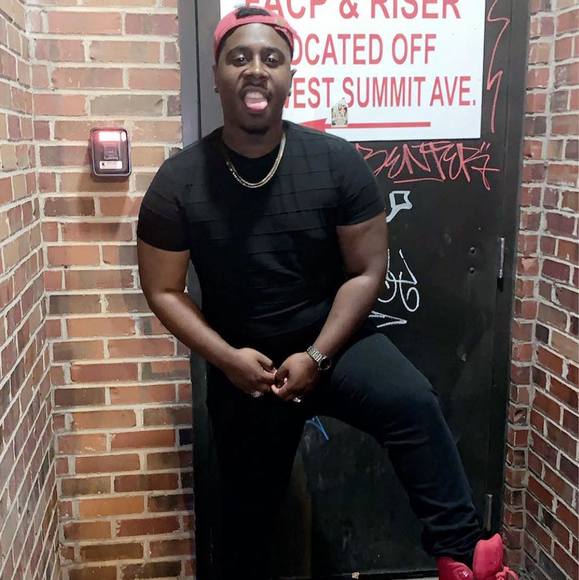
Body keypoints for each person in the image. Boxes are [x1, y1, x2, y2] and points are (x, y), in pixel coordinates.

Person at [136, 7, 518, 580]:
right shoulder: (180, 180)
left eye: (271, 58)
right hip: (244, 362)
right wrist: (227, 359)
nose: (255, 69)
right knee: (246, 521)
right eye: (239, 58)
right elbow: (163, 289)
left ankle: (466, 558)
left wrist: (317, 356)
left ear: (290, 74)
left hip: (334, 343)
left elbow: (367, 271)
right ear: (217, 75)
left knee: (412, 403)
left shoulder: (336, 162)